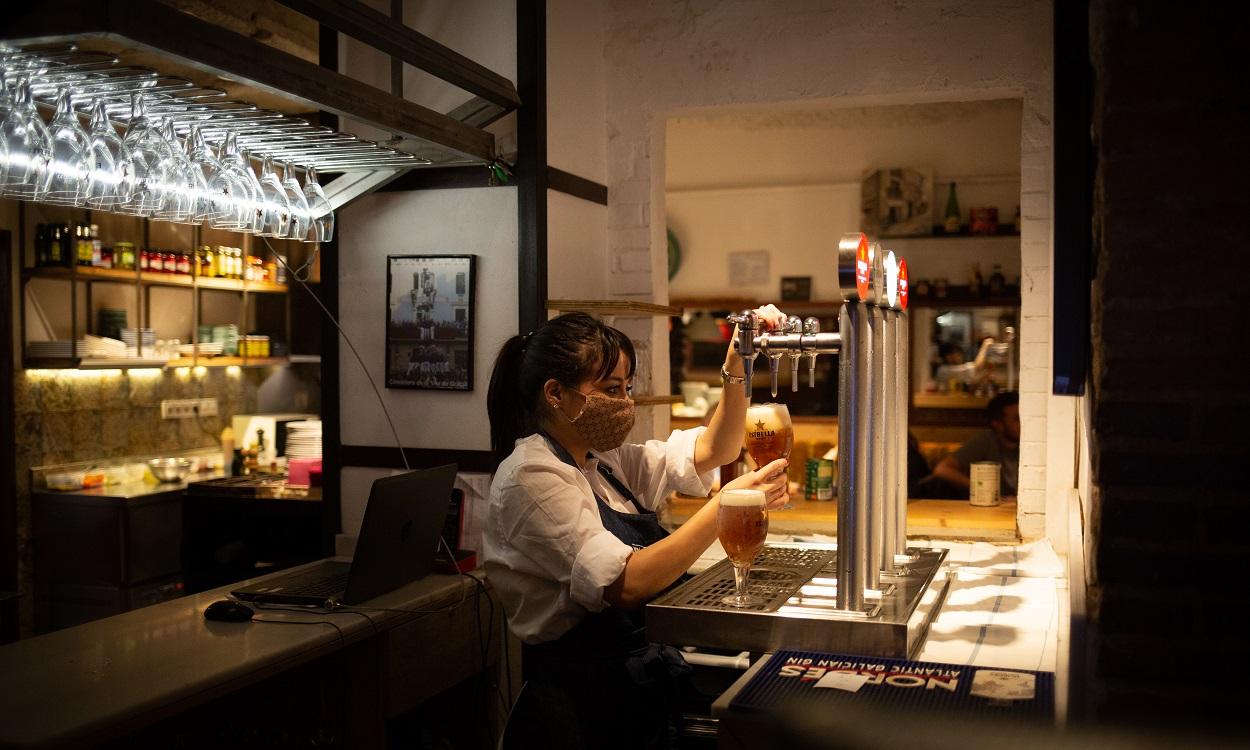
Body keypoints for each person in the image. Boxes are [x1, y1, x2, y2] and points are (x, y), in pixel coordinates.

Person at [484, 310, 789, 748]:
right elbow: (626, 584)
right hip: (577, 705)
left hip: (633, 687)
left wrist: (737, 365)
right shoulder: (530, 477)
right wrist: (726, 505)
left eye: (627, 388)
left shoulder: (603, 461)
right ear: (555, 393)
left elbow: (717, 448)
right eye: (611, 389)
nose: (625, 402)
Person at [915, 391, 1020, 500]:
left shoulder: (1028, 445)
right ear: (998, 424)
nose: (1023, 423)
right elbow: (942, 469)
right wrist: (981, 488)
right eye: (1017, 419)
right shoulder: (986, 440)